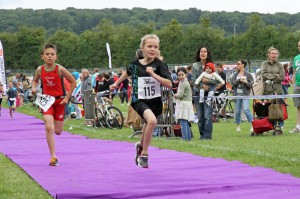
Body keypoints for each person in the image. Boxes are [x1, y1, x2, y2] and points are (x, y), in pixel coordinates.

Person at [110, 34, 172, 168]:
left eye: (155, 47)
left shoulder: (160, 65)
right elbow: (127, 73)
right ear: (142, 48)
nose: (152, 49)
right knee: (152, 121)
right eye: (149, 46)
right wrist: (117, 83)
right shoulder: (135, 64)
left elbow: (169, 84)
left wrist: (154, 75)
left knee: (147, 125)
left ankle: (140, 146)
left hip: (155, 101)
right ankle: (144, 154)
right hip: (139, 99)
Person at [31, 43, 76, 166]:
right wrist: (34, 88)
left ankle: (60, 120)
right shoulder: (40, 69)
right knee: (48, 126)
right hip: (47, 101)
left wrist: (67, 97)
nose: (50, 56)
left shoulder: (60, 69)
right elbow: (35, 80)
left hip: (60, 101)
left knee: (58, 131)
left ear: (56, 56)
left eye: (52, 54)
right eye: (47, 54)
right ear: (42, 57)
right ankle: (53, 157)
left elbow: (73, 82)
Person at [191, 46, 218, 140]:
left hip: (209, 94)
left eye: (205, 52)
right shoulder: (195, 66)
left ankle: (207, 135)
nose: (203, 53)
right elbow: (193, 80)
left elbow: (217, 81)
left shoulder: (212, 66)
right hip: (198, 93)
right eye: (201, 52)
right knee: (200, 115)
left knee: (207, 115)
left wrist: (208, 81)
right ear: (199, 54)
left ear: (207, 54)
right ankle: (202, 135)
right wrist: (202, 86)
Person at [230, 59, 254, 132]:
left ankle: (253, 125)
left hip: (245, 95)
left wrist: (245, 82)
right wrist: (239, 80)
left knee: (246, 110)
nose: (237, 65)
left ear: (243, 65)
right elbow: (233, 84)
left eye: (238, 64)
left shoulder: (248, 74)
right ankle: (238, 126)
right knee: (237, 111)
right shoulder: (235, 74)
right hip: (237, 95)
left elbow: (250, 85)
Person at [174, 67, 194, 141]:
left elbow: (180, 95)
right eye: (179, 75)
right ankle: (188, 138)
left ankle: (185, 138)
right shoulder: (184, 82)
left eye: (182, 75)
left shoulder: (183, 83)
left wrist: (175, 95)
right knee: (185, 121)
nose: (180, 76)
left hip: (184, 103)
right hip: (187, 103)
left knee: (183, 122)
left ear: (185, 74)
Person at [290, 41, 300, 133]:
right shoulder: (296, 58)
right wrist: (293, 83)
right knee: (298, 106)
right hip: (297, 85)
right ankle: (298, 127)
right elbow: (294, 72)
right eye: (299, 46)